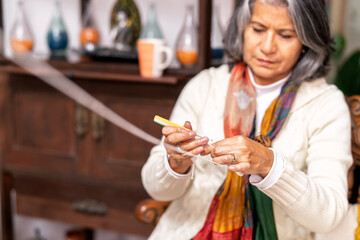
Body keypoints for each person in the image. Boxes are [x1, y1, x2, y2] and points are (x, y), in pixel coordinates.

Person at [141, 0, 353, 239]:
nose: (267, 46)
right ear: (242, 28)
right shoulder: (205, 86)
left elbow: (329, 216)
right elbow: (156, 190)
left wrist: (269, 165)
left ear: (307, 41)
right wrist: (175, 164)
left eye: (285, 35)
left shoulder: (325, 104)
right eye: (258, 29)